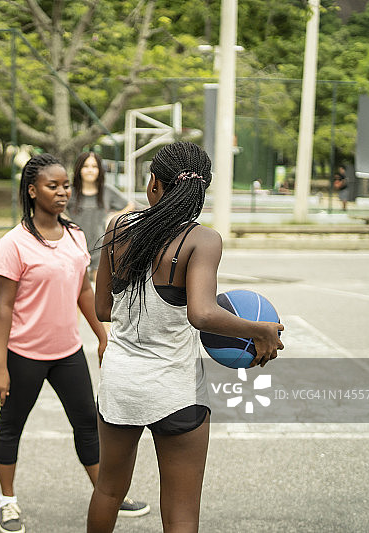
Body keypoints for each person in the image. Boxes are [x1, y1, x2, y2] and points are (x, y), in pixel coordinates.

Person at [87, 142, 284, 533]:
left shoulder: (118, 227)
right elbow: (202, 313)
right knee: (181, 512)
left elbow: (103, 310)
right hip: (174, 389)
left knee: (108, 491)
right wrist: (258, 329)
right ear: (200, 191)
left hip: (121, 382)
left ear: (154, 184)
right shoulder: (202, 240)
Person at [0, 153, 149, 533]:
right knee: (11, 426)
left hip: (67, 353)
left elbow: (84, 290)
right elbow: (3, 307)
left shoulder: (76, 235)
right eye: (52, 186)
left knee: (89, 426)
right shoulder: (13, 244)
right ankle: (8, 502)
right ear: (32, 190)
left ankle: (107, 494)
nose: (62, 193)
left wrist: (101, 334)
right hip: (24, 354)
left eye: (65, 186)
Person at [68, 151, 134, 278]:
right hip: (75, 249)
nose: (90, 170)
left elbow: (130, 206)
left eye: (94, 166)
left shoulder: (107, 191)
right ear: (79, 168)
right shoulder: (70, 192)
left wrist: (112, 218)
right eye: (86, 166)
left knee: (98, 289)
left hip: (100, 249)